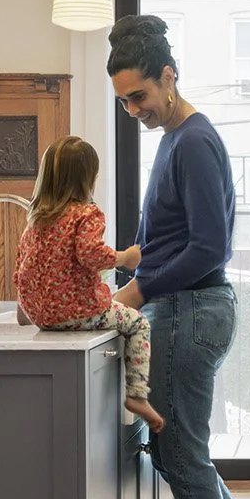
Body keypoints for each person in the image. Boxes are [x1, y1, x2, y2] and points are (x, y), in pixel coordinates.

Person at [106, 13, 250, 499]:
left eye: (139, 96)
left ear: (169, 76)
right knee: (182, 449)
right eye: (124, 101)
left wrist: (138, 289)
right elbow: (174, 238)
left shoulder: (194, 141)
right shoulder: (175, 141)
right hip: (185, 309)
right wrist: (125, 257)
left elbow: (211, 247)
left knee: (179, 451)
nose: (133, 110)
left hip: (190, 311)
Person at [16, 135, 164, 433]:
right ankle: (137, 394)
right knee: (138, 323)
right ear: (89, 179)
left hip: (43, 317)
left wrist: (26, 309)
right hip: (79, 312)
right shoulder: (87, 214)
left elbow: (22, 269)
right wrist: (126, 257)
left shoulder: (37, 220)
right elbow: (90, 253)